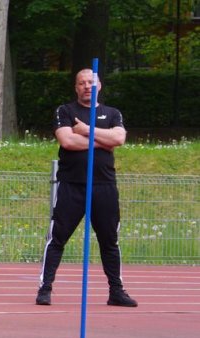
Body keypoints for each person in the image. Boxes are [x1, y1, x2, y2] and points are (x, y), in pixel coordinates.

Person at [36, 68, 137, 307]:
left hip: (104, 186)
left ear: (99, 85)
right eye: (82, 83)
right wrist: (103, 140)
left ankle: (116, 291)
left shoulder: (112, 113)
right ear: (76, 87)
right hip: (72, 186)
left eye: (91, 82)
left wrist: (87, 131)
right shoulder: (65, 111)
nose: (87, 87)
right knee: (57, 237)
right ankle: (45, 288)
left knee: (109, 240)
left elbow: (119, 139)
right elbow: (67, 141)